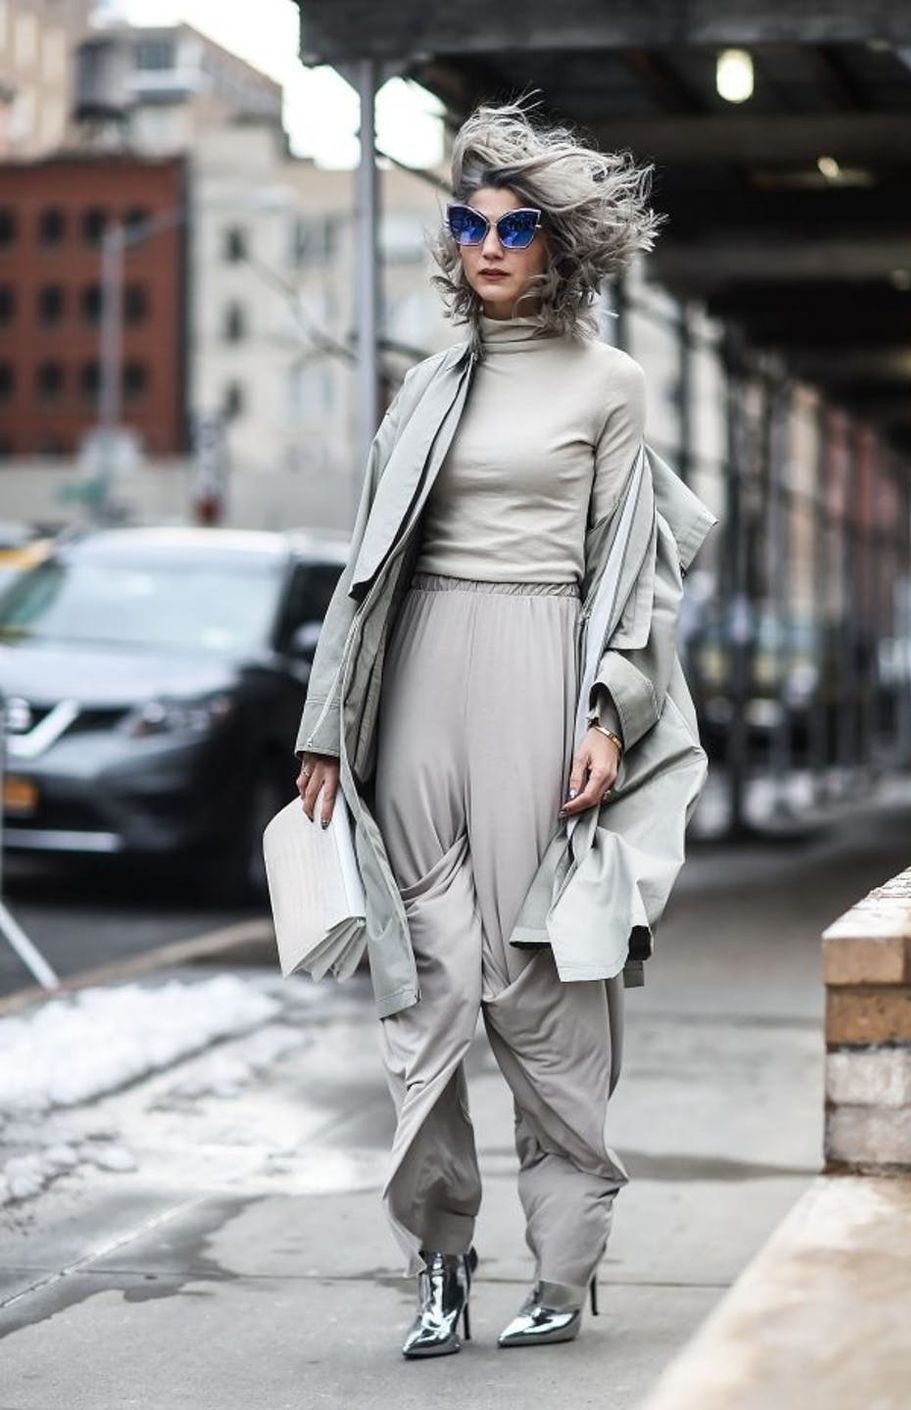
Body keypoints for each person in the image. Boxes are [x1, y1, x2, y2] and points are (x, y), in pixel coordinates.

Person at [294, 97, 694, 1360]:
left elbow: (634, 573)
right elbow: (366, 567)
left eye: (514, 226)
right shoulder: (422, 387)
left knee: (541, 979)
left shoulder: (611, 385)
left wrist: (606, 712)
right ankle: (439, 1259)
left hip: (540, 658)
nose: (487, 244)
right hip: (417, 675)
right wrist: (323, 727)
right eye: (468, 224)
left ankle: (563, 1268)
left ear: (559, 245)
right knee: (423, 977)